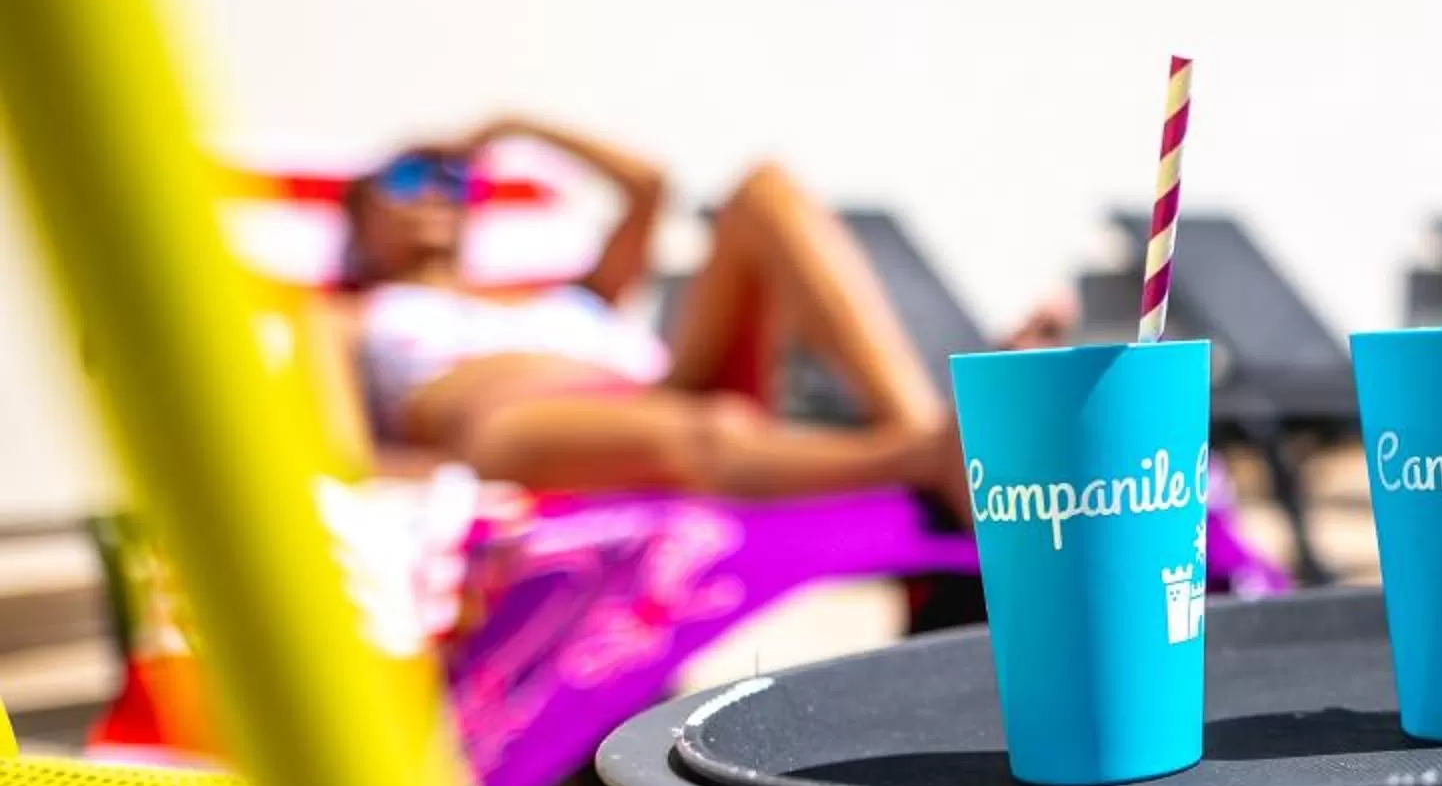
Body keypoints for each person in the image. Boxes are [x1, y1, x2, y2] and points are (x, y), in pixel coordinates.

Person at [313, 116, 983, 511]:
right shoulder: (345, 315)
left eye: (453, 181)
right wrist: (461, 482)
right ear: (359, 215)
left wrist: (515, 125)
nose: (435, 194)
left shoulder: (563, 291)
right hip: (514, 428)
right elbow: (347, 460)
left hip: (654, 391)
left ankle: (922, 433)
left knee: (764, 190)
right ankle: (935, 456)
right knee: (709, 427)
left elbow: (649, 185)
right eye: (405, 181)